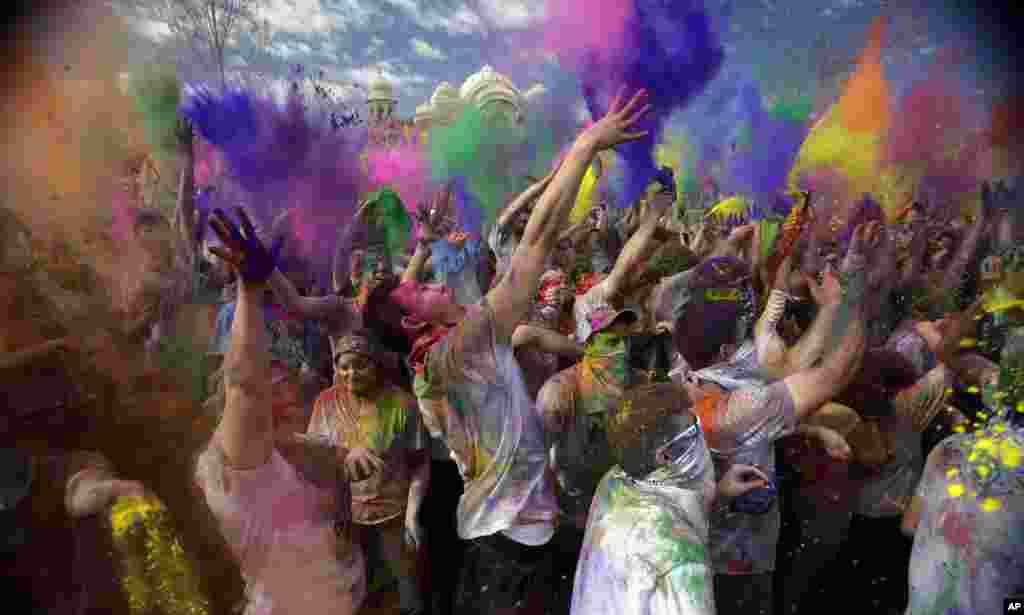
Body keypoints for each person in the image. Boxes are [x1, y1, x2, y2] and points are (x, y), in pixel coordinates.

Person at [364, 87, 653, 615]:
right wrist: (586, 145)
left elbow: (397, 310)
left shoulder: (433, 357)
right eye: (425, 286)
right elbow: (536, 240)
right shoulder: (465, 345)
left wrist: (425, 248)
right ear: (413, 320)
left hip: (499, 535)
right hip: (509, 545)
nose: (437, 283)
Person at [197, 208, 369, 614]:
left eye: (286, 378)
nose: (290, 387)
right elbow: (245, 385)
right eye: (276, 386)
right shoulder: (243, 468)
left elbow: (307, 444)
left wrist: (348, 454)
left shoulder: (281, 451)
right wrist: (249, 290)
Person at [570, 382, 771, 615]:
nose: (702, 437)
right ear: (665, 455)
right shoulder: (681, 564)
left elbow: (656, 515)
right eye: (694, 430)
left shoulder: (614, 484)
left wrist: (718, 494)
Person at [307, 331, 429, 615]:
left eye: (360, 365)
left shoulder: (402, 404)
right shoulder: (325, 404)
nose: (351, 373)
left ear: (376, 364)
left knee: (406, 593)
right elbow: (312, 458)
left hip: (393, 517)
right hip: (344, 522)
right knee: (352, 594)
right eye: (344, 366)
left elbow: (420, 464)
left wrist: (412, 515)